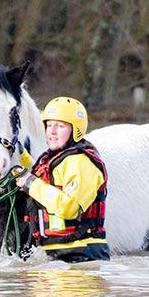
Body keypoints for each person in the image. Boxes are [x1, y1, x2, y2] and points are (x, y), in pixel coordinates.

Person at [16, 96, 110, 263]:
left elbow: (69, 207)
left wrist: (30, 183)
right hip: (56, 251)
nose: (52, 131)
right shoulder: (55, 158)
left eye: (60, 126)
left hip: (81, 252)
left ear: (76, 130)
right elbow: (44, 179)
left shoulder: (82, 162)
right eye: (49, 125)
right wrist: (20, 156)